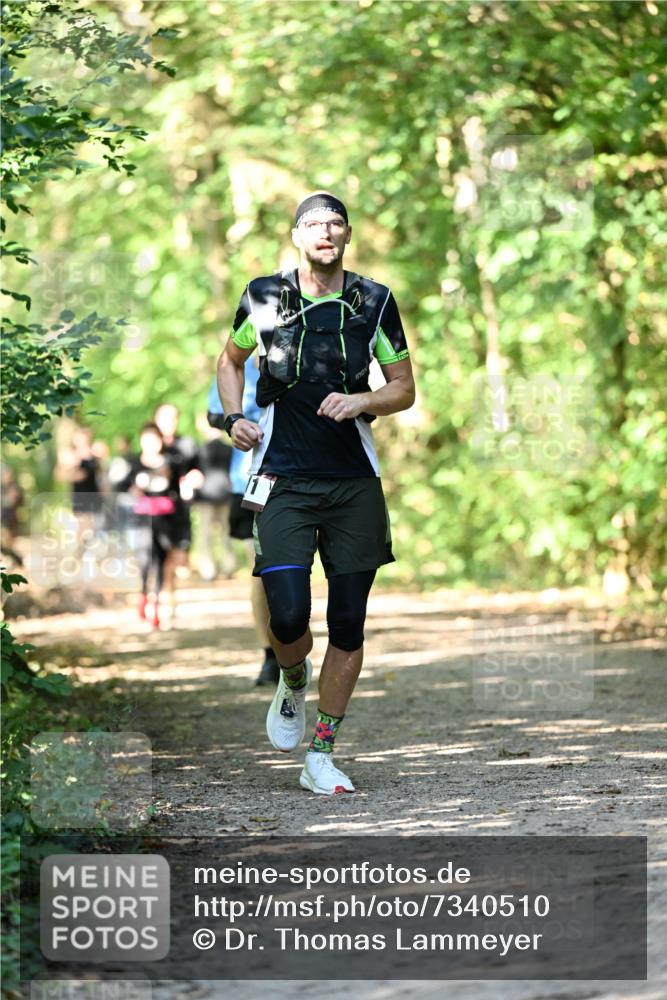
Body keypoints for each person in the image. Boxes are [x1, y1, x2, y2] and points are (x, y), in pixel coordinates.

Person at [216, 191, 415, 794]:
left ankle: (322, 753)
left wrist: (363, 398)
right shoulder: (264, 296)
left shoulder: (373, 302)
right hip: (282, 478)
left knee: (349, 622)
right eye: (313, 225)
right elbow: (229, 361)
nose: (324, 233)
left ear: (348, 235)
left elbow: (404, 388)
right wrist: (232, 419)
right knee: (288, 614)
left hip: (354, 482)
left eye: (334, 224)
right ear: (296, 236)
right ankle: (292, 676)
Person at [207, 368, 280, 686]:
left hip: (307, 475)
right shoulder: (240, 361)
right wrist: (239, 418)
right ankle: (270, 655)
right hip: (252, 478)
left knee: (295, 568)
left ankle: (293, 646)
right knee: (262, 568)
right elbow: (213, 413)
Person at [118, 422, 182, 628]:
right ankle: (143, 594)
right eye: (146, 439)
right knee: (145, 560)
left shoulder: (171, 463)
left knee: (162, 562)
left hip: (165, 519)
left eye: (154, 439)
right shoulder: (133, 462)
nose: (150, 443)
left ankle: (156, 607)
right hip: (141, 519)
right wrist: (133, 489)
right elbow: (119, 487)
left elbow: (178, 496)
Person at [153, 403, 203, 621]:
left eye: (173, 418)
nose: (169, 423)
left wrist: (193, 479)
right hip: (156, 513)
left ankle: (168, 597)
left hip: (180, 511)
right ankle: (163, 603)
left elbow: (199, 472)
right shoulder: (151, 445)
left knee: (178, 561)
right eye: (164, 418)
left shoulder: (188, 445)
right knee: (161, 560)